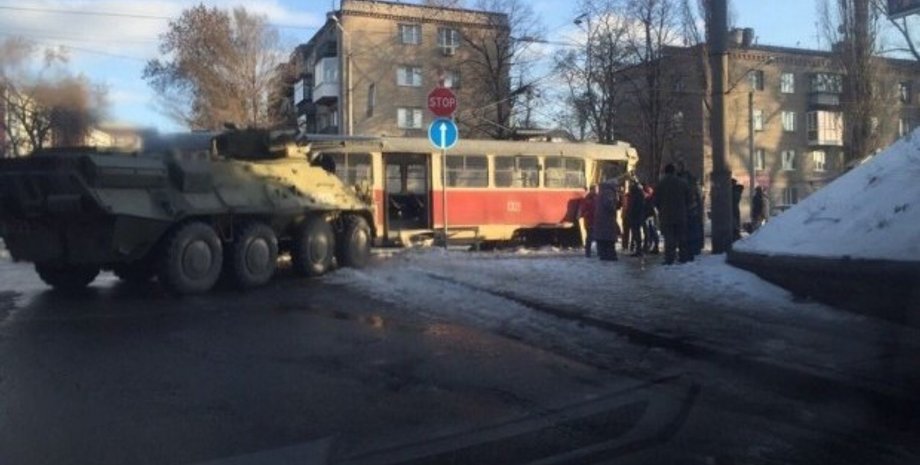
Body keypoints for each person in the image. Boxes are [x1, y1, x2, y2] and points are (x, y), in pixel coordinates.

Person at [654, 164, 691, 265]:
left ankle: (669, 258)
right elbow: (689, 198)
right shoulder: (682, 183)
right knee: (682, 237)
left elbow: (656, 200)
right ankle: (683, 257)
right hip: (681, 214)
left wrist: (661, 209)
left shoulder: (661, 184)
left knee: (669, 238)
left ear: (665, 172)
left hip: (666, 215)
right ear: (674, 171)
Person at [593, 180, 621, 261]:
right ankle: (610, 256)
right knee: (609, 239)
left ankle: (603, 255)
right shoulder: (609, 193)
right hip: (607, 220)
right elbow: (609, 205)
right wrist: (615, 207)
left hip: (601, 220)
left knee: (602, 239)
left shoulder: (602, 192)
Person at [627, 180, 645, 256]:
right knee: (637, 233)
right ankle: (638, 249)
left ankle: (638, 250)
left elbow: (633, 206)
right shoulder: (640, 194)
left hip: (635, 216)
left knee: (636, 233)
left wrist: (630, 213)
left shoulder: (635, 194)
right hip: (638, 216)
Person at [579, 185, 597, 258]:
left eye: (597, 189)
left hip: (595, 220)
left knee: (596, 236)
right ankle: (588, 252)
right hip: (589, 220)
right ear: (591, 190)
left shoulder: (597, 197)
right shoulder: (587, 199)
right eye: (595, 190)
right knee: (589, 237)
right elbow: (583, 210)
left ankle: (594, 251)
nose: (596, 191)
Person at [642, 184, 660, 254]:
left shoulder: (649, 199)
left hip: (649, 216)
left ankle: (650, 247)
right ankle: (652, 246)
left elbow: (651, 208)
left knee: (650, 232)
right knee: (651, 233)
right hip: (650, 216)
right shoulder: (651, 198)